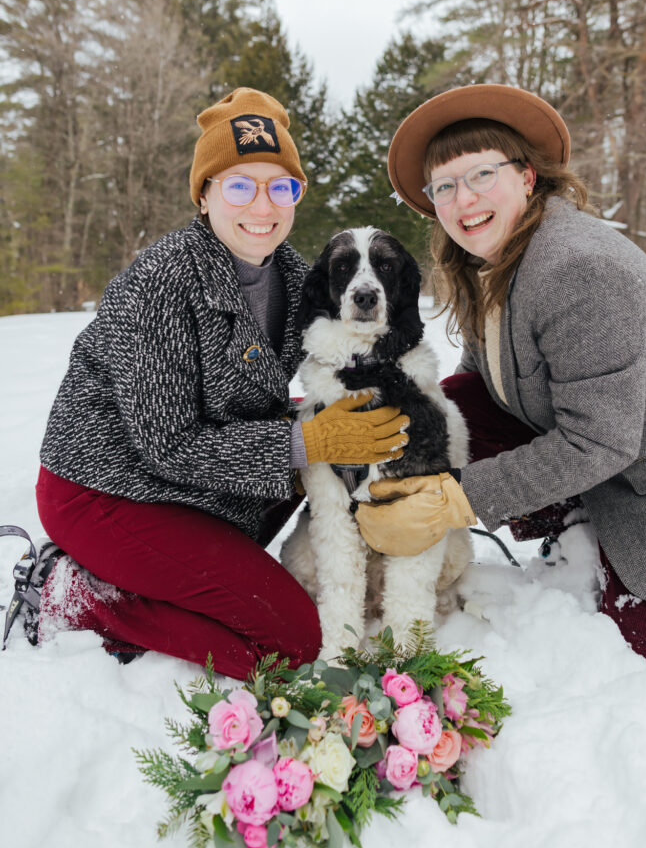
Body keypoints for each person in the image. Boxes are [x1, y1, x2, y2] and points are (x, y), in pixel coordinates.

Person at [17, 87, 408, 676]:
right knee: (291, 641)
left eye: (281, 186)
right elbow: (169, 444)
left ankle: (176, 575)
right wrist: (310, 439)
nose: (262, 205)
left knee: (296, 488)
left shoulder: (300, 277)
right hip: (104, 491)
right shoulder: (159, 283)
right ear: (204, 195)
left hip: (196, 483)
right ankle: (72, 593)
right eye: (239, 185)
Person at [355, 83, 646, 656]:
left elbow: (601, 442)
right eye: (446, 187)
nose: (463, 199)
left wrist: (452, 498)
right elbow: (476, 388)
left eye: (482, 174)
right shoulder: (491, 261)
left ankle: (593, 526)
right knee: (431, 406)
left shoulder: (581, 269)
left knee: (635, 639)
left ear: (527, 177)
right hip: (598, 453)